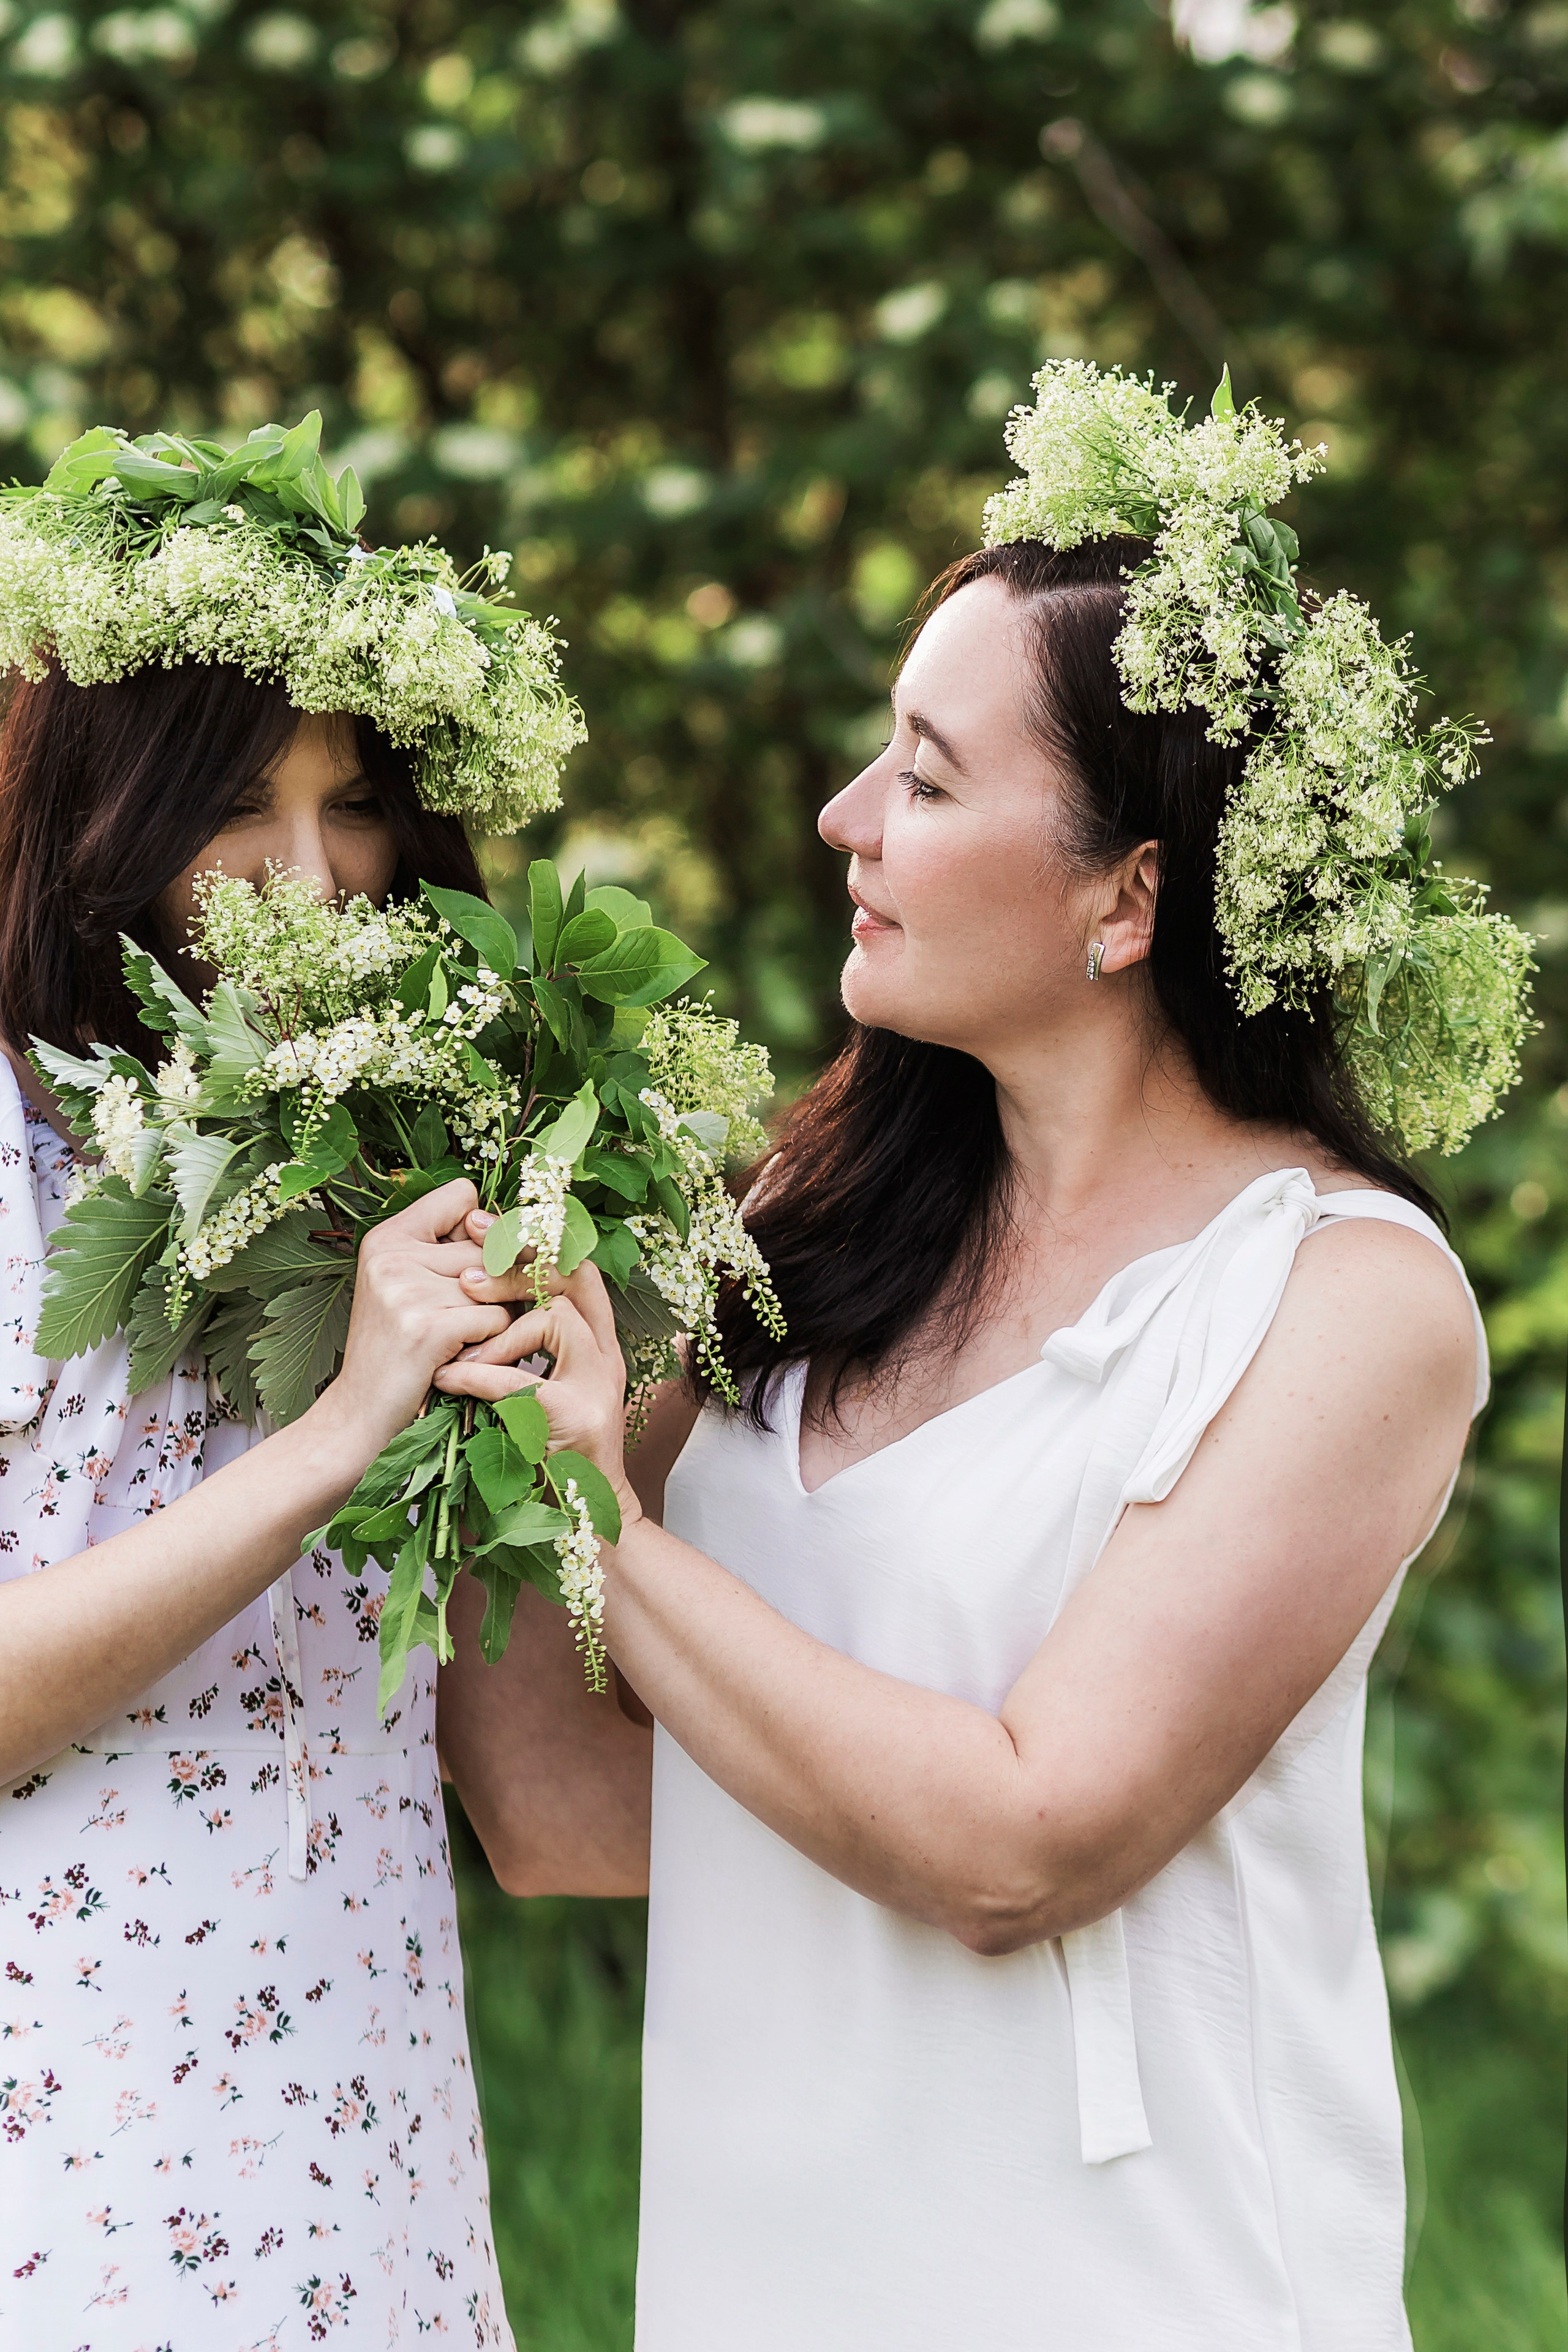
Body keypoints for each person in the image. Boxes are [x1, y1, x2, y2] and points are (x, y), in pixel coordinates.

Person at [437, 371, 1529, 2351]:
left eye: (929, 779)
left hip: (1138, 2296)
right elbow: (567, 1818)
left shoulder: (1345, 1301)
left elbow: (1026, 1847)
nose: (846, 819)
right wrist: (467, 1388)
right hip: (764, 2286)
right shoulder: (800, 1228)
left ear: (1130, 893)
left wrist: (601, 1516)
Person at [0, 418, 584, 2346]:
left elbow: (529, 1779)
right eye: (238, 801)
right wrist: (341, 1433)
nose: (315, 878)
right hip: (80, 2175)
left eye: (357, 810)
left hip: (364, 2156)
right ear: (98, 798)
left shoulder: (381, 1174)